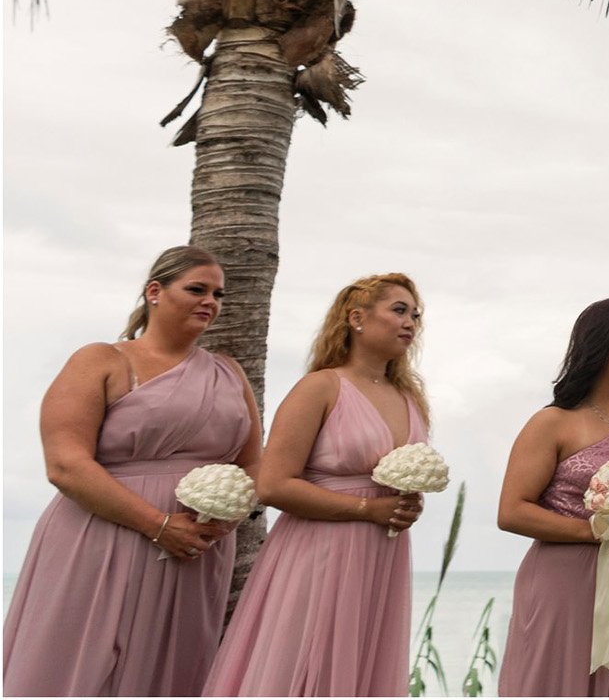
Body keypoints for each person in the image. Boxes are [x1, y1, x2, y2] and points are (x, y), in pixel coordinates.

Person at [2, 245, 262, 697]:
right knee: (81, 660)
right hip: (101, 534)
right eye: (197, 289)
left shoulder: (229, 373)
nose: (211, 302)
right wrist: (159, 525)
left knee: (175, 665)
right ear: (155, 292)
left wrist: (225, 520)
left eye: (218, 294)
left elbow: (253, 463)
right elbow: (65, 464)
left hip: (197, 549)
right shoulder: (101, 360)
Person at [205, 273, 434, 696]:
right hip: (319, 551)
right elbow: (273, 484)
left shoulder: (409, 398)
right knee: (300, 663)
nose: (411, 323)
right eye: (399, 310)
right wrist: (366, 509)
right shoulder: (320, 388)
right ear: (356, 318)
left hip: (382, 554)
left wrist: (409, 502)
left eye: (416, 316)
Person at [498, 298, 609, 698]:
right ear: (601, 344)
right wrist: (594, 532)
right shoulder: (551, 422)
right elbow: (511, 512)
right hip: (563, 581)